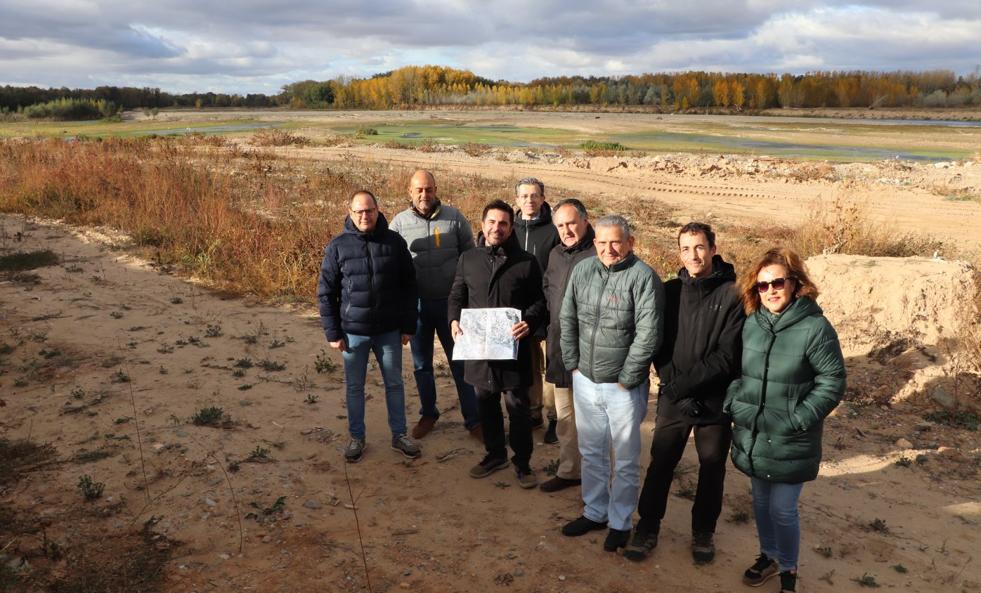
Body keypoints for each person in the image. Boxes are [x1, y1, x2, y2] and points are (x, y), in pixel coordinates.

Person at [724, 247, 846, 593]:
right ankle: (769, 555)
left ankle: (789, 572)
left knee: (782, 508)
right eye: (763, 286)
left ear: (794, 283)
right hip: (755, 431)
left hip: (792, 435)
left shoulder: (814, 327)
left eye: (778, 282)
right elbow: (738, 371)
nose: (771, 291)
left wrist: (799, 418)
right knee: (760, 502)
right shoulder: (752, 324)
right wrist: (736, 399)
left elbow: (833, 380)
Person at [628, 222, 745, 563]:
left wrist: (685, 387)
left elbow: (727, 355)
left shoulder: (734, 294)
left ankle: (703, 532)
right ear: (678, 252)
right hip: (675, 396)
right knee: (661, 463)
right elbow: (657, 344)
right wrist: (672, 384)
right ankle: (647, 526)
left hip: (714, 400)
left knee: (712, 468)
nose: (693, 255)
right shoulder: (669, 292)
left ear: (712, 248)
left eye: (699, 247)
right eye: (685, 248)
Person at [559, 214, 665, 552]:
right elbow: (568, 317)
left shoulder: (644, 277)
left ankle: (619, 521)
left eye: (616, 242)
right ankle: (595, 511)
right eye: (603, 243)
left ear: (630, 243)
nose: (609, 249)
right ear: (594, 244)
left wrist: (628, 378)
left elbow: (648, 333)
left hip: (623, 386)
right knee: (591, 452)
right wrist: (573, 365)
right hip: (585, 380)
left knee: (625, 458)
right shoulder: (583, 270)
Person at [448, 199, 547, 489]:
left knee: (518, 408)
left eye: (503, 223)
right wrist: (454, 320)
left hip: (512, 349)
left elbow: (540, 300)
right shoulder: (469, 259)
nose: (497, 228)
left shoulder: (526, 262)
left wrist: (528, 321)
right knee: (485, 404)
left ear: (510, 227)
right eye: (491, 222)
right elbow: (456, 295)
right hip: (478, 350)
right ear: (482, 225)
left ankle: (523, 463)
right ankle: (495, 455)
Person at [317, 190, 420, 463]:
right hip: (353, 332)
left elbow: (410, 286)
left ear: (378, 210)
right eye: (359, 211)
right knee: (354, 387)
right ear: (350, 212)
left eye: (369, 210)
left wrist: (409, 325)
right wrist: (333, 332)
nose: (365, 216)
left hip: (388, 330)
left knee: (395, 384)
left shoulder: (394, 243)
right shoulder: (338, 246)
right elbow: (326, 292)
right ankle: (356, 437)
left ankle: (399, 435)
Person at [390, 170, 480, 441]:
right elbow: (392, 267)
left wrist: (467, 300)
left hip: (450, 306)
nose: (424, 195)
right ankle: (429, 413)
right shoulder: (399, 224)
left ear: (436, 189)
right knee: (421, 365)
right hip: (416, 307)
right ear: (409, 191)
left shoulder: (454, 218)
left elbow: (470, 258)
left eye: (428, 189)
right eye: (418, 190)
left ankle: (474, 420)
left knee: (460, 364)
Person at [538, 198, 594, 493]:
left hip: (591, 352)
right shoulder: (556, 254)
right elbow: (549, 290)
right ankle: (570, 470)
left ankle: (597, 477)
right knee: (565, 417)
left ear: (586, 221)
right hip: (558, 347)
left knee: (593, 421)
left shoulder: (600, 254)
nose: (566, 230)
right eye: (560, 225)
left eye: (571, 223)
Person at [513, 177, 560, 432]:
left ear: (543, 198)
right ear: (517, 200)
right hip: (525, 311)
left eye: (534, 195)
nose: (529, 200)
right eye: (524, 196)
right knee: (530, 365)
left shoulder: (555, 229)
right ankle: (534, 413)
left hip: (552, 308)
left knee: (552, 365)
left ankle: (554, 417)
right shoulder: (510, 229)